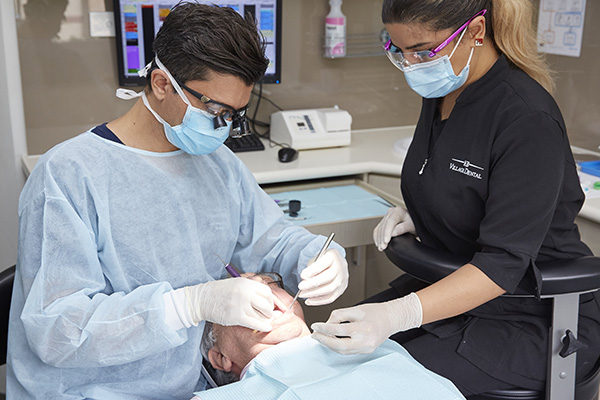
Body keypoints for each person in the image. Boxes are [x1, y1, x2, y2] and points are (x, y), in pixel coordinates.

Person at [8, 3, 348, 399]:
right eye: (216, 110)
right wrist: (187, 305)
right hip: (91, 389)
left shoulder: (217, 163)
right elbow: (58, 332)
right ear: (161, 84)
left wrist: (316, 257)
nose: (225, 128)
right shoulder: (68, 175)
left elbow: (270, 237)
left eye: (236, 115)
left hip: (192, 384)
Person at [311, 0, 600, 396]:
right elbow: (458, 181)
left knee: (358, 388)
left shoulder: (527, 117)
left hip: (532, 316)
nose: (411, 64)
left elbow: (504, 263)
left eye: (423, 51)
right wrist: (424, 215)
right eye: (398, 50)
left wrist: (398, 314)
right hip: (453, 288)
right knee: (319, 359)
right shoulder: (445, 90)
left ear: (476, 32)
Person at [191, 273, 466, 400]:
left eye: (271, 284)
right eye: (235, 300)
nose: (263, 294)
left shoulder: (381, 349)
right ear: (220, 357)